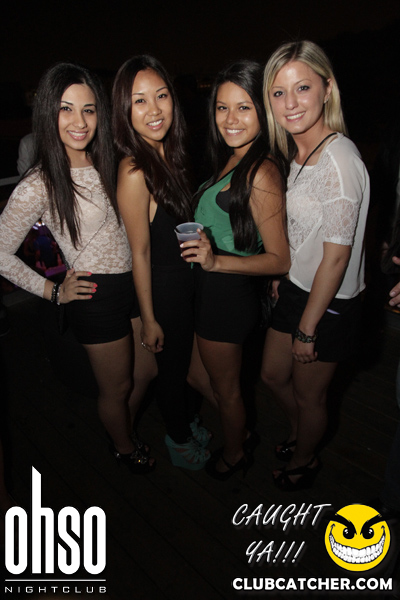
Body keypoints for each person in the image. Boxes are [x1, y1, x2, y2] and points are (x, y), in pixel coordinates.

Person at [0, 62, 156, 474]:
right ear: (48, 113)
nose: (80, 121)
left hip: (135, 283)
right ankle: (123, 446)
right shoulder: (40, 181)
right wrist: (52, 291)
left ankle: (122, 426)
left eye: (89, 109)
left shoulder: (111, 160)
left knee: (147, 371)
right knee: (117, 387)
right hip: (95, 295)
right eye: (66, 109)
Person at [261, 40, 370, 490]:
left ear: (327, 89)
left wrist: (308, 328)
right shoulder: (299, 152)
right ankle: (301, 430)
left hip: (329, 302)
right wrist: (283, 274)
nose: (290, 103)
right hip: (296, 287)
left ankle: (305, 458)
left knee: (311, 396)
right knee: (272, 375)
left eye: (302, 88)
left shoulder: (340, 161)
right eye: (279, 92)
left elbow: (337, 256)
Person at [183, 60, 290, 480]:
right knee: (196, 376)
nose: (230, 119)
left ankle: (235, 453)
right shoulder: (232, 158)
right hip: (211, 289)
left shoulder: (262, 171)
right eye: (222, 107)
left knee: (226, 391)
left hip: (228, 296)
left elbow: (280, 259)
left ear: (263, 111)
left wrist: (215, 260)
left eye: (243, 107)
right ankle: (239, 428)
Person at [112, 55, 210, 470]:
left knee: (184, 365)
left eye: (162, 96)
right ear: (124, 110)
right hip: (164, 289)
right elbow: (139, 251)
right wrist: (149, 319)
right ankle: (179, 441)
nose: (154, 110)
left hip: (186, 281)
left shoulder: (172, 154)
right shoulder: (135, 170)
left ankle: (186, 421)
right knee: (172, 372)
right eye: (140, 100)